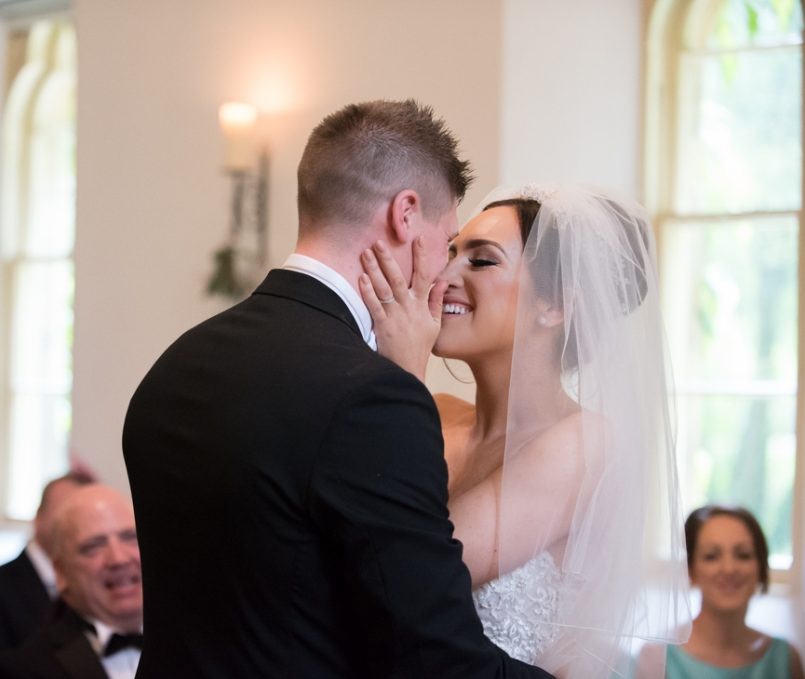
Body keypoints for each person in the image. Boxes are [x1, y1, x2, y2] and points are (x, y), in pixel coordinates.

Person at [122, 100, 552, 678]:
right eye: (446, 238)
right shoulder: (374, 398)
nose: (444, 272)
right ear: (406, 215)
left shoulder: (177, 363)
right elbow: (433, 657)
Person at [359, 183, 690, 676]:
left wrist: (401, 374)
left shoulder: (585, 445)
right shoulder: (433, 412)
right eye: (451, 253)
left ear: (555, 306)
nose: (442, 275)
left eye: (482, 260)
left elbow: (412, 574)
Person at [0, 485, 143, 679]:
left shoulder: (188, 641)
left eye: (130, 537)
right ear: (60, 572)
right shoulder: (19, 671)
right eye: (94, 546)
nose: (119, 559)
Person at [636, 506, 804, 679]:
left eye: (743, 555)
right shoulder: (656, 657)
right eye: (711, 556)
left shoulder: (786, 659)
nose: (729, 569)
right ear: (691, 569)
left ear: (760, 567)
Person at [0, 472, 92, 662]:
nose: (76, 526)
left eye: (85, 518)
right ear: (38, 517)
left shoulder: (94, 584)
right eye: (65, 514)